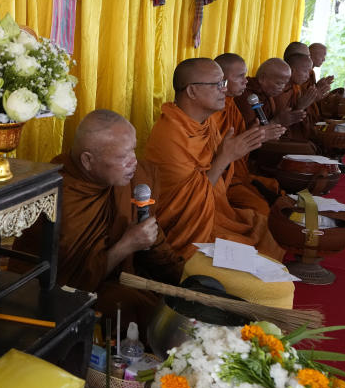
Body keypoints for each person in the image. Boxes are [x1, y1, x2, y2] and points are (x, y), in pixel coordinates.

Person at [46, 110, 184, 328]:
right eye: (123, 157)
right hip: (75, 294)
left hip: (124, 275)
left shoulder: (131, 179)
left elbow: (150, 238)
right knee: (133, 309)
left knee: (179, 300)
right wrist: (128, 244)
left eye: (133, 151)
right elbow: (67, 284)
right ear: (88, 161)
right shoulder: (62, 195)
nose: (134, 162)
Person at [145, 58, 285, 260]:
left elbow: (218, 173)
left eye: (224, 84)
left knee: (266, 227)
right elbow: (185, 207)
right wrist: (226, 157)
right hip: (186, 228)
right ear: (192, 91)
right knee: (260, 248)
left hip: (213, 212)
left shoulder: (205, 122)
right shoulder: (170, 135)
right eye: (218, 84)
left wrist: (244, 144)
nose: (224, 90)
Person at [214, 53, 286, 215]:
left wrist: (255, 134)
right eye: (240, 76)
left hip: (237, 173)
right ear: (221, 79)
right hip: (220, 177)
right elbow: (220, 152)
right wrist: (257, 136)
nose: (245, 81)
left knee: (274, 187)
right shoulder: (213, 110)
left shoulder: (231, 105)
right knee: (262, 209)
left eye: (245, 76)